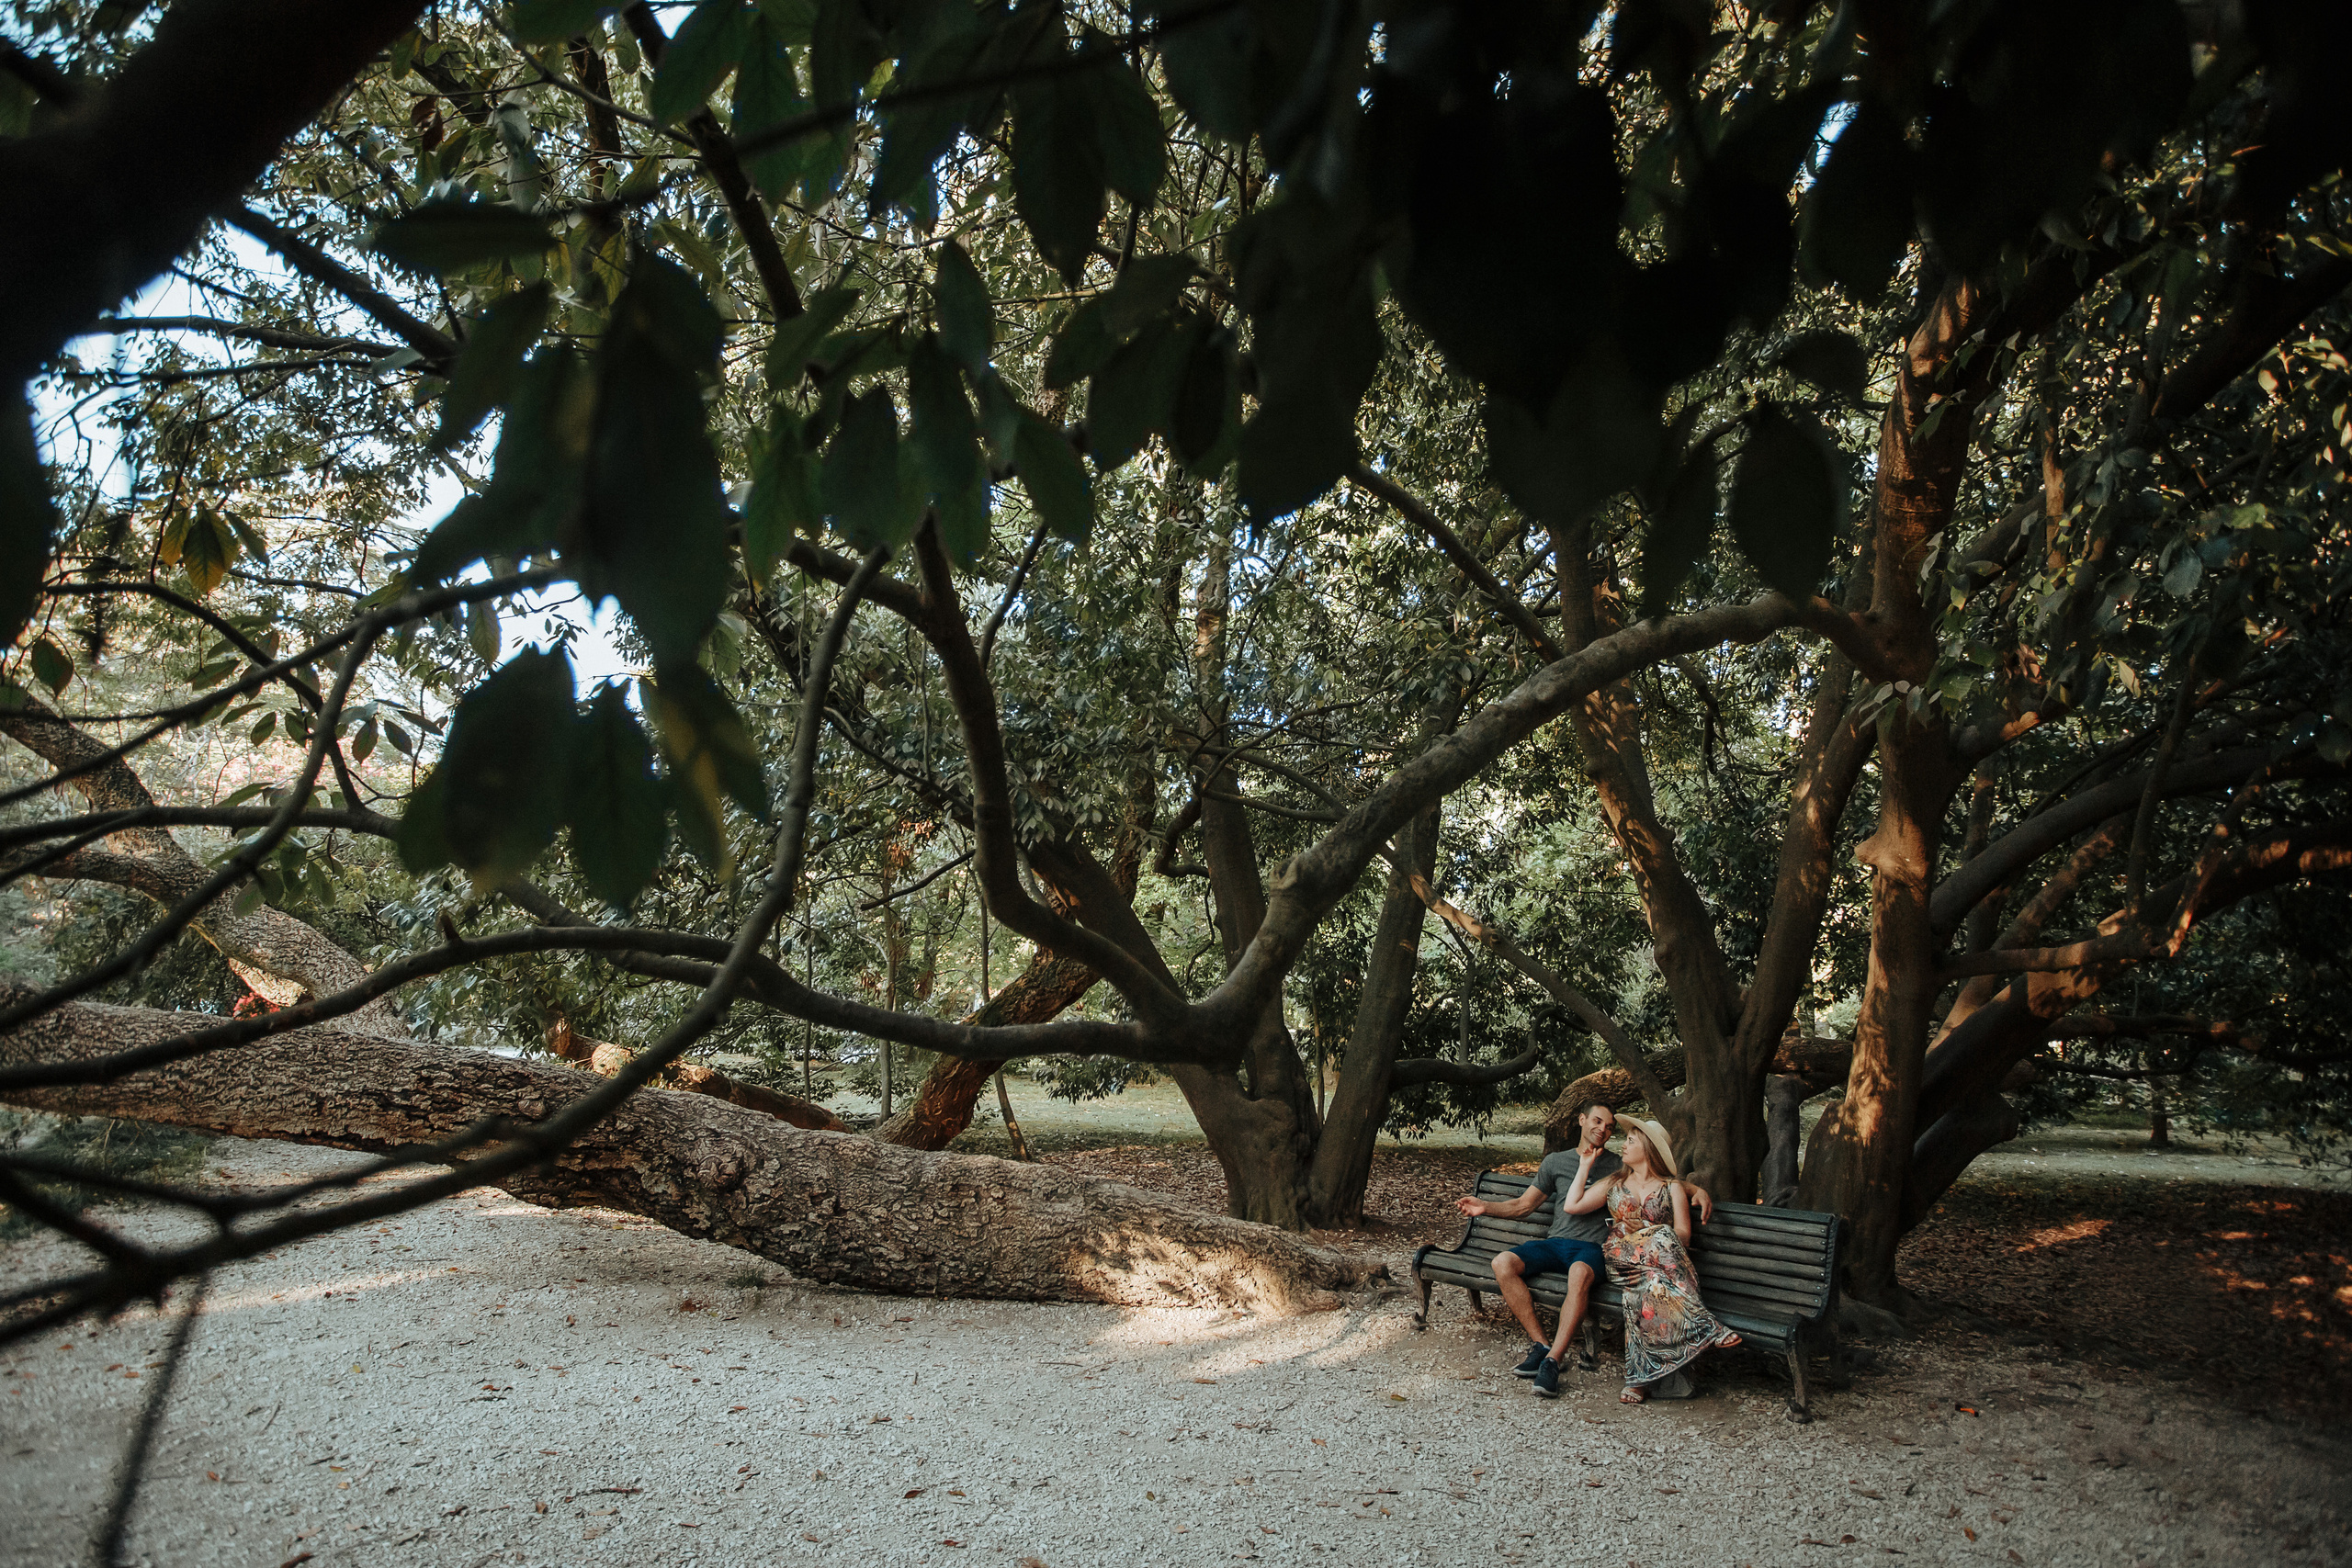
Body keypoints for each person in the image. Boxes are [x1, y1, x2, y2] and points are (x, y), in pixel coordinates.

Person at [1453, 1100, 1712, 1397]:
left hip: (1592, 1251)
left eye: (1610, 1127)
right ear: (1581, 1120)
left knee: (1578, 1272)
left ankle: (1553, 1361)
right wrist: (1485, 1207)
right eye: (1598, 1121)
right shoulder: (1555, 1162)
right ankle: (1542, 1345)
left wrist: (1697, 1189)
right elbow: (1523, 1205)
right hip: (1555, 1244)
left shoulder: (1619, 1165)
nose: (1604, 1129)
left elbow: (1657, 1177)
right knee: (1502, 1263)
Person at [1562, 1115, 1742, 1404]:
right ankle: (1704, 1324)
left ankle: (1638, 1381)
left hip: (1655, 1268)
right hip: (1619, 1259)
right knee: (1657, 1248)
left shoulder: (1671, 1187)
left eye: (1630, 1141)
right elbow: (1573, 1205)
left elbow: (1683, 1236)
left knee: (1650, 1286)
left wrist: (1649, 1229)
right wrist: (1584, 1168)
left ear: (1647, 1149)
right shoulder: (1614, 1182)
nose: (1623, 1145)